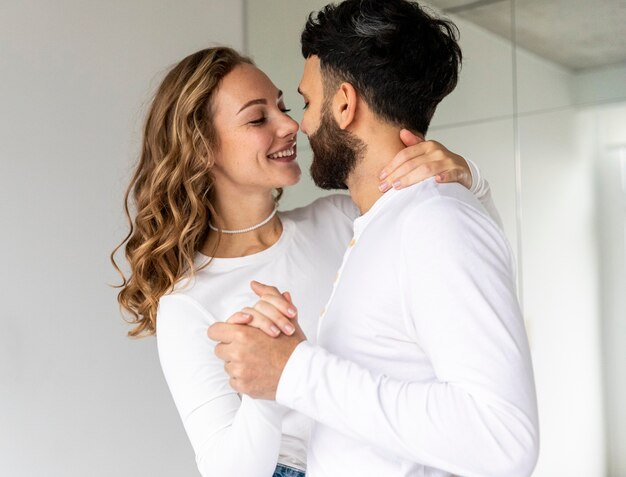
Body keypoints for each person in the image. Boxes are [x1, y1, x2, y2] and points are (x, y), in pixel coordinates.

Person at [112, 46, 495, 477]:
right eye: (258, 119)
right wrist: (266, 384)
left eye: (284, 106)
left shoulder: (344, 218)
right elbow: (227, 470)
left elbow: (478, 273)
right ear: (201, 149)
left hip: (397, 458)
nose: (291, 125)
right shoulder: (190, 301)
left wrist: (469, 181)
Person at [208, 1, 539, 477]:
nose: (299, 125)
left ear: (344, 103)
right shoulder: (386, 223)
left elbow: (504, 440)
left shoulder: (434, 222)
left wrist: (296, 372)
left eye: (305, 101)